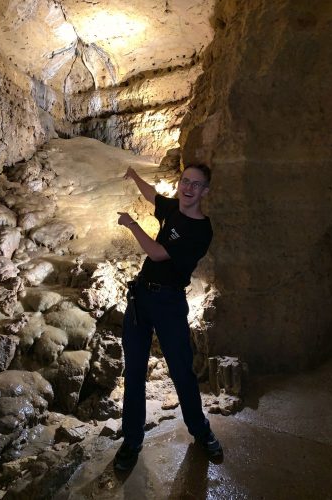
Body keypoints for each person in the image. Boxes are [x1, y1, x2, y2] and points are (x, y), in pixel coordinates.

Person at [114, 163, 222, 471]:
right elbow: (154, 197)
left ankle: (201, 431)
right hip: (141, 298)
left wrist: (132, 225)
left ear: (205, 191)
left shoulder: (201, 229)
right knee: (133, 371)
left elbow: (159, 253)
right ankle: (131, 440)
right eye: (185, 181)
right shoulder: (173, 208)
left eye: (196, 184)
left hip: (169, 303)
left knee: (181, 371)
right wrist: (134, 175)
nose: (188, 187)